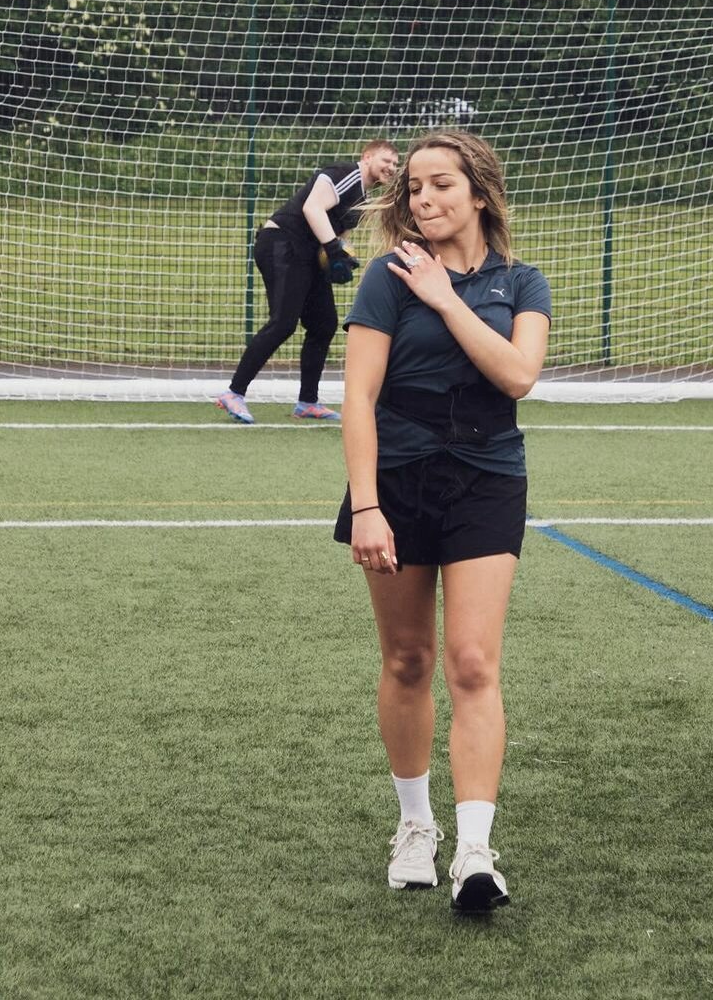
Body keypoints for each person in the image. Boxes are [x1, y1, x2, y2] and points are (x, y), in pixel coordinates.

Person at [334, 131, 551, 915]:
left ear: (480, 194)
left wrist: (447, 297)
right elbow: (359, 397)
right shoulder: (387, 277)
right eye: (415, 188)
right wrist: (366, 505)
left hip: (487, 478)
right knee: (407, 659)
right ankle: (416, 826)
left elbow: (518, 375)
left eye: (440, 185)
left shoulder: (522, 283)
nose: (422, 199)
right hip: (395, 480)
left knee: (472, 661)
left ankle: (475, 851)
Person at [215, 140, 400, 424]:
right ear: (367, 157)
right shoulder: (344, 173)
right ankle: (234, 393)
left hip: (308, 253)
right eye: (386, 160)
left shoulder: (364, 198)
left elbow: (341, 235)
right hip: (281, 242)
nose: (392, 167)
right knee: (283, 322)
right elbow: (313, 208)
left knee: (324, 323)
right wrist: (333, 249)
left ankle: (308, 402)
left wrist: (339, 259)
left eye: (396, 164)